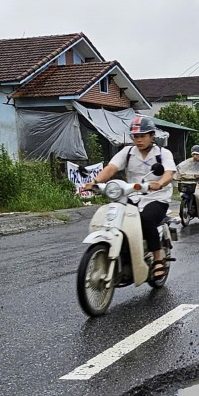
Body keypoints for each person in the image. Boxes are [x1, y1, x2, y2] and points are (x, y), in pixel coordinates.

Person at [84, 115, 176, 279]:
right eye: (136, 136)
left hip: (157, 197)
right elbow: (111, 168)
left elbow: (169, 173)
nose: (139, 140)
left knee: (146, 219)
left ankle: (158, 257)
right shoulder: (127, 152)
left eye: (142, 136)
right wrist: (95, 182)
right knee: (115, 218)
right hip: (132, 196)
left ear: (151, 136)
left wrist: (160, 183)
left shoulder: (163, 153)